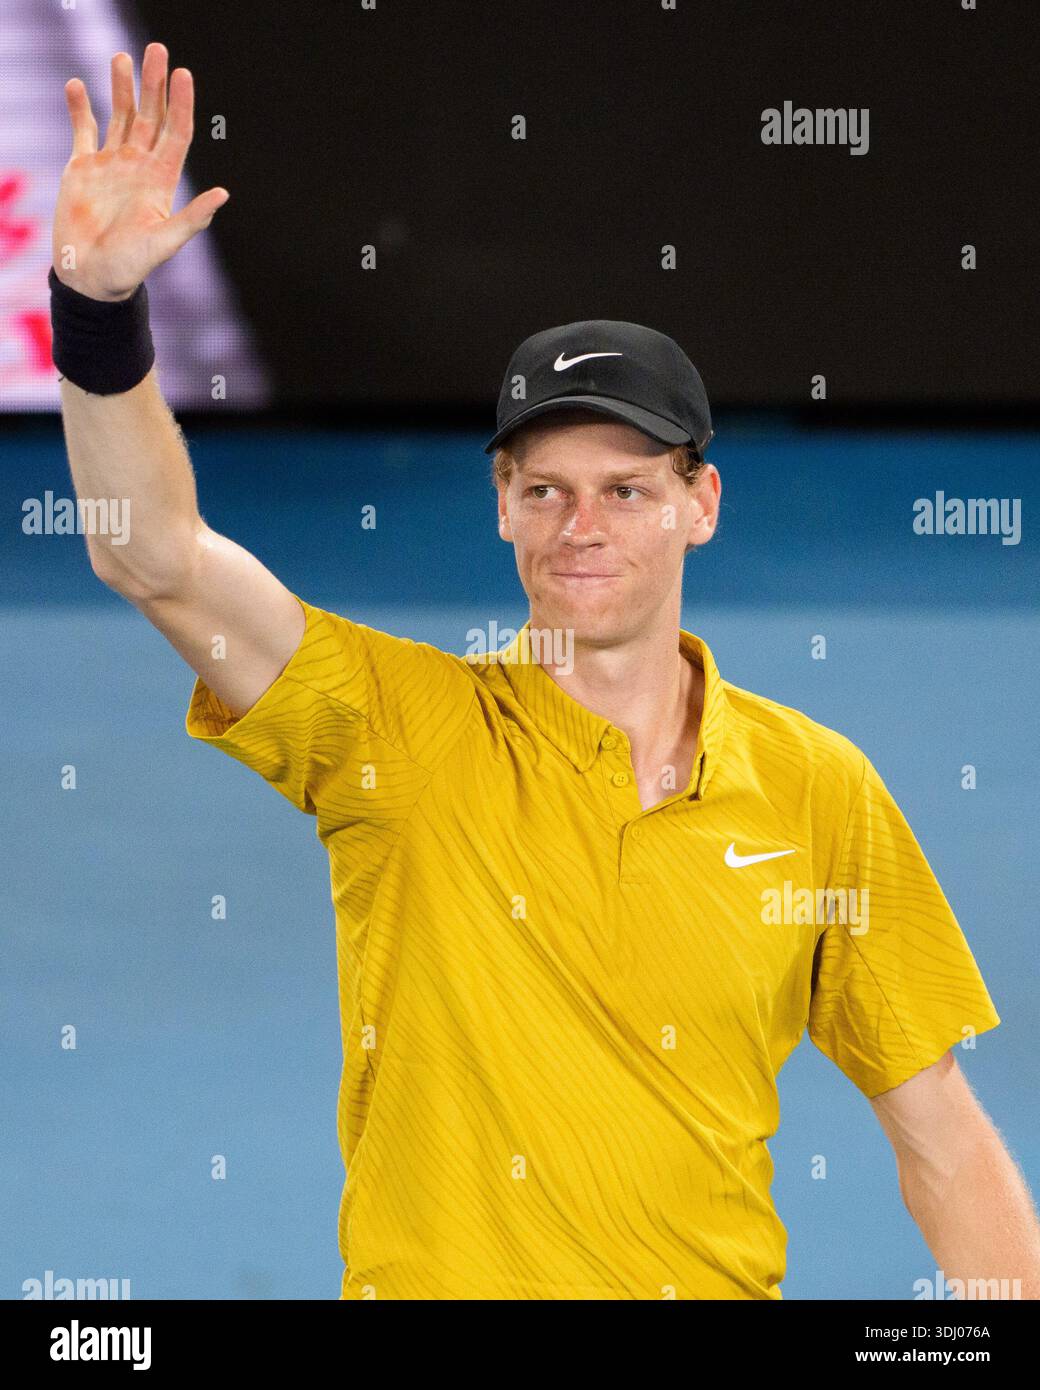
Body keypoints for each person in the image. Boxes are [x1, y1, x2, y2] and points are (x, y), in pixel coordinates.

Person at [52, 43, 1040, 1302]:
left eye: (627, 490)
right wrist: (93, 307)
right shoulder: (390, 726)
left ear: (701, 505)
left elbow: (940, 1138)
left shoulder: (816, 790)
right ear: (502, 509)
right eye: (546, 492)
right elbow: (155, 557)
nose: (583, 526)